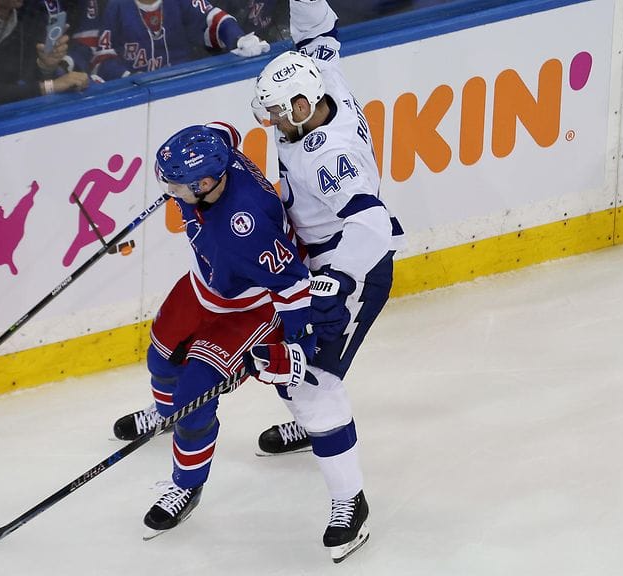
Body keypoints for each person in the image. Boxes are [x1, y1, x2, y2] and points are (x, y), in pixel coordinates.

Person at [248, 0, 404, 562]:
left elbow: (374, 223)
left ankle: (350, 502)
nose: (269, 124)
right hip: (313, 261)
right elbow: (320, 26)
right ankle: (315, 422)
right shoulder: (320, 72)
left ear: (300, 105)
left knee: (312, 381)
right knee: (301, 374)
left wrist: (338, 277)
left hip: (350, 271)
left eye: (274, 114)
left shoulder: (326, 155)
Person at [113, 122, 314, 538]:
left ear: (206, 183)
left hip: (248, 308)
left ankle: (186, 486)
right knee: (160, 356)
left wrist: (295, 347)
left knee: (194, 395)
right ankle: (165, 416)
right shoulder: (215, 158)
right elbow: (223, 130)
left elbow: (294, 285)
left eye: (176, 186)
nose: (170, 193)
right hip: (205, 285)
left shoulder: (246, 229)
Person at [90, 0, 270, 80]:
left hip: (182, 83)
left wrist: (238, 39)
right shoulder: (116, 6)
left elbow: (211, 18)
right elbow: (102, 57)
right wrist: (129, 78)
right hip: (136, 94)